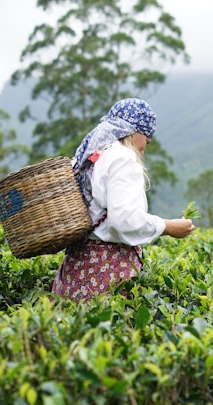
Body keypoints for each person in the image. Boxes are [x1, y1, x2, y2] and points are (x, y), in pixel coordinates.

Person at [52, 97, 195, 302]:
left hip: (77, 267)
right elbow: (124, 220)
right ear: (135, 132)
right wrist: (167, 226)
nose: (146, 145)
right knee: (105, 330)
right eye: (147, 138)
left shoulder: (92, 156)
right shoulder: (122, 158)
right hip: (104, 270)